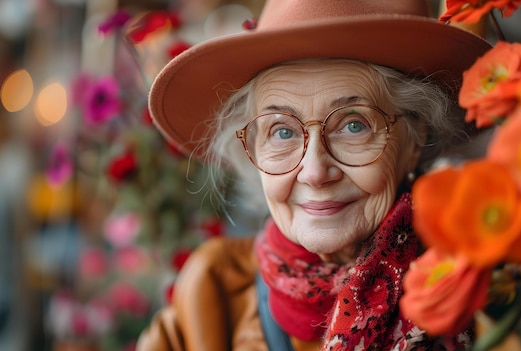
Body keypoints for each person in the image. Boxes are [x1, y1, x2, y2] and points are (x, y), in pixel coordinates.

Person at [137, 0, 492, 350]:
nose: (315, 172)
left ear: (415, 138)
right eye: (282, 132)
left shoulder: (485, 285)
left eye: (354, 125)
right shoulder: (214, 289)